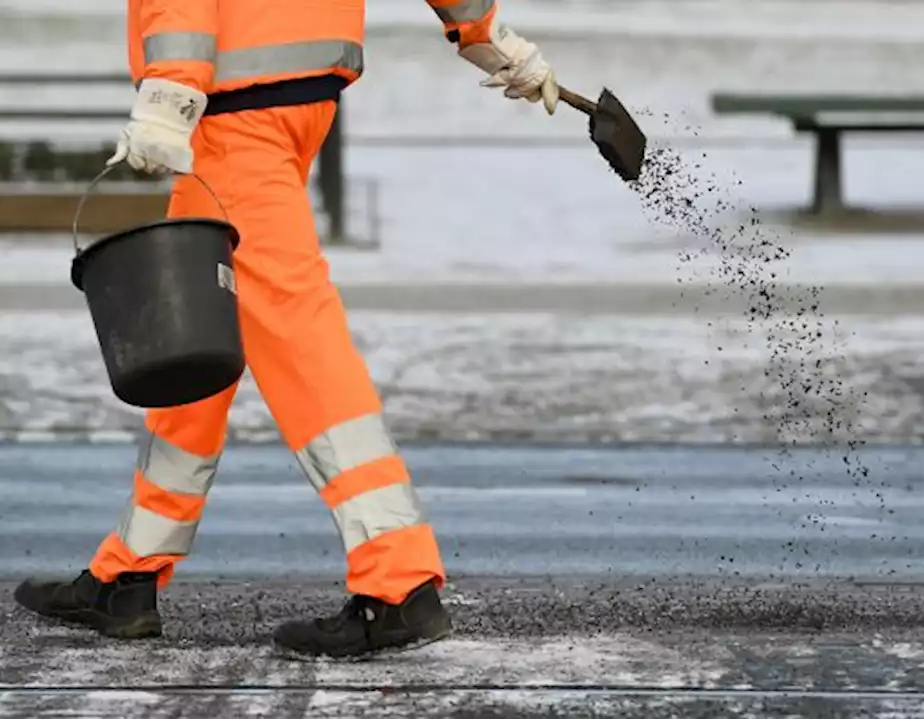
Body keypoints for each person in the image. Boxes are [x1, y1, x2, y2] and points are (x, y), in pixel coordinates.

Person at [12, 0, 559, 660]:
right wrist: (486, 32)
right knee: (188, 328)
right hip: (300, 91)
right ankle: (129, 571)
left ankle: (398, 579)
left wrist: (171, 87)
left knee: (298, 337)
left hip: (232, 105)